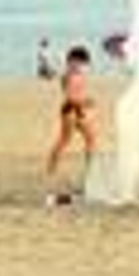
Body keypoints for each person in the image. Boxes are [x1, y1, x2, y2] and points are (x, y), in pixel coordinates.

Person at [45, 46, 97, 200]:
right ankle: (51, 171)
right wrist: (85, 101)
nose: (81, 66)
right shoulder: (67, 75)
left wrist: (86, 101)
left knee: (91, 140)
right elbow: (70, 96)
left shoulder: (79, 74)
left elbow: (79, 92)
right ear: (72, 60)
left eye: (83, 63)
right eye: (79, 62)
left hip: (80, 111)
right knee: (63, 141)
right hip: (70, 111)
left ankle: (89, 174)